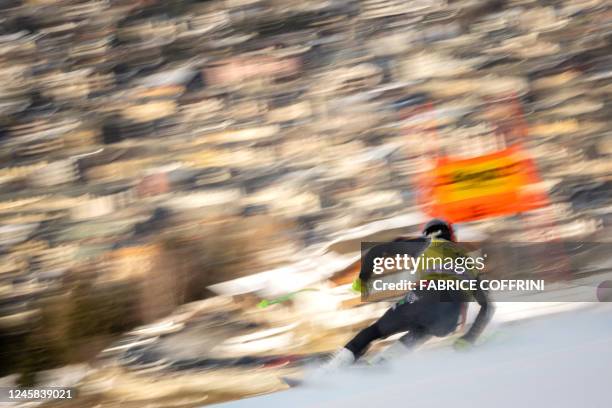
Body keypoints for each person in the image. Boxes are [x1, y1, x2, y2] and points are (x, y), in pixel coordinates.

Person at [324, 219, 494, 369]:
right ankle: (384, 361)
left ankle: (335, 367)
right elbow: (487, 306)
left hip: (420, 298)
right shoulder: (470, 263)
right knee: (423, 331)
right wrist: (470, 338)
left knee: (375, 331)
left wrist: (362, 279)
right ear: (452, 237)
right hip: (449, 319)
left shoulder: (424, 244)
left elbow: (378, 251)